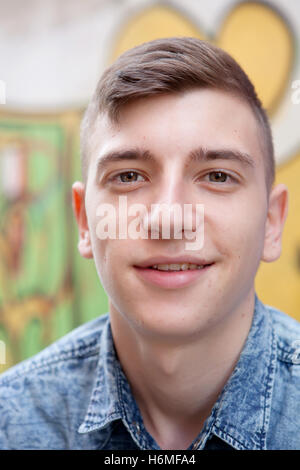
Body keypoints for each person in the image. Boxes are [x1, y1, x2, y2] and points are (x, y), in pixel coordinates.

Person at [0, 37, 299, 451]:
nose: (170, 219)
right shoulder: (10, 423)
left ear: (271, 222)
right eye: (128, 177)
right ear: (85, 220)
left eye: (217, 176)